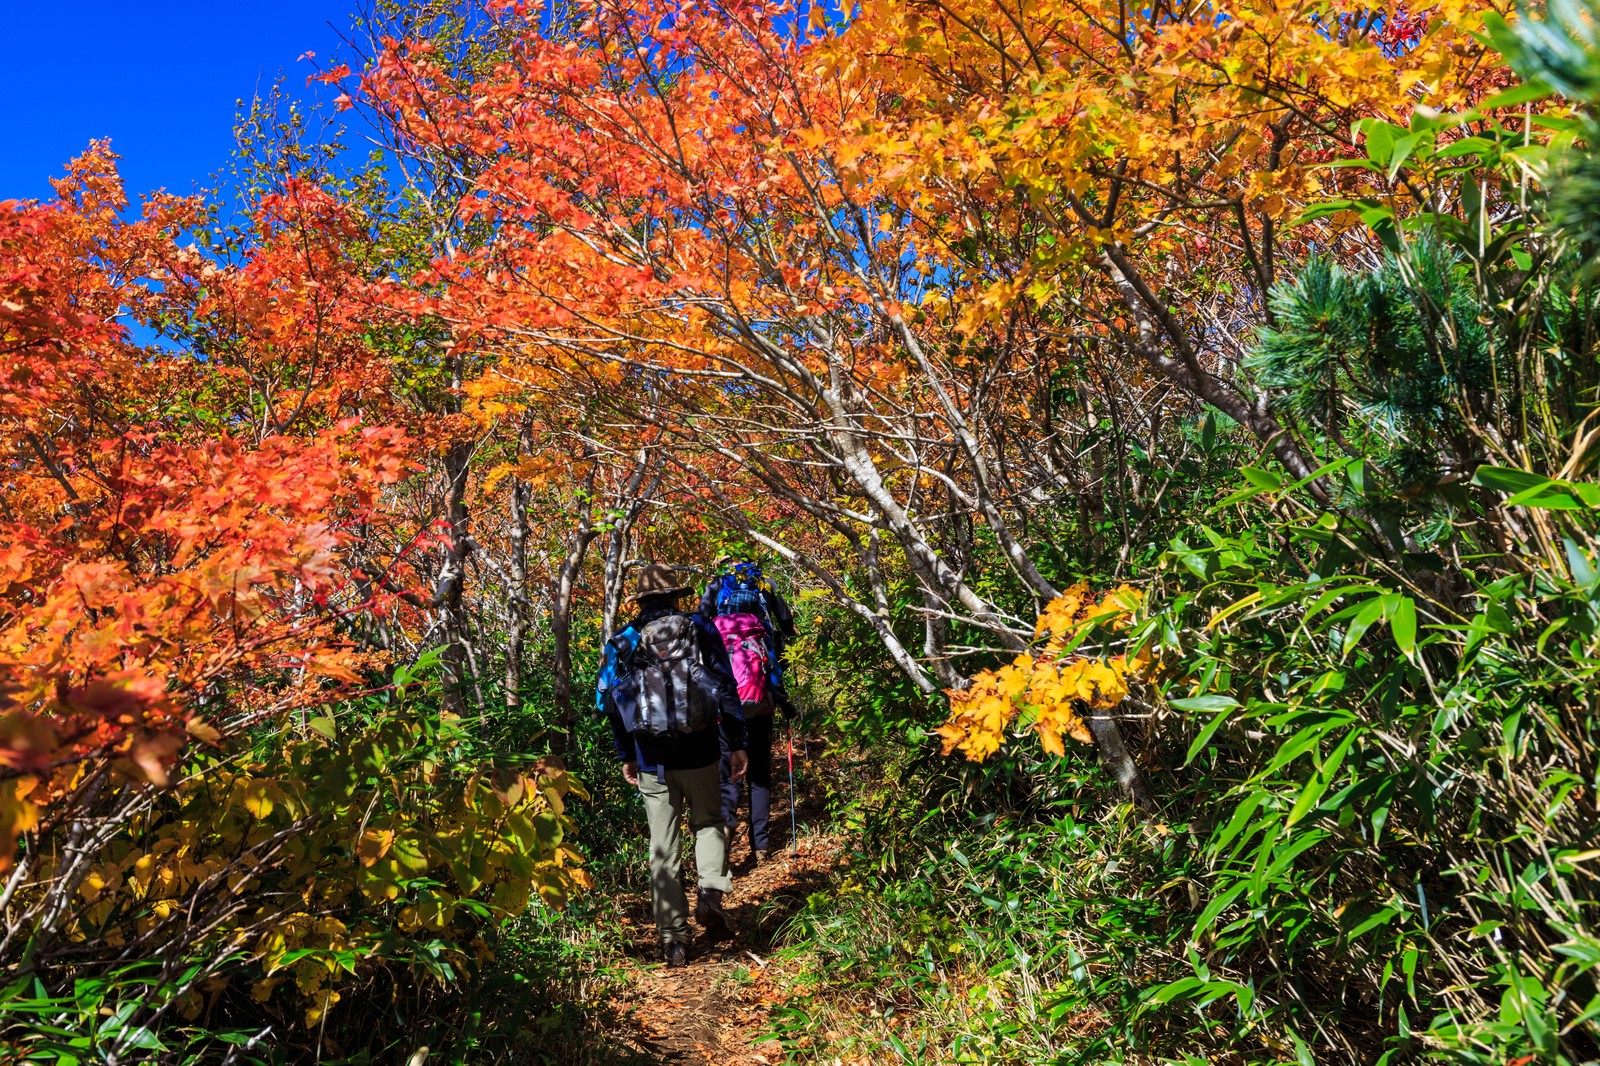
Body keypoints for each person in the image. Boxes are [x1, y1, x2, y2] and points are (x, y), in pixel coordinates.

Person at [597, 563, 749, 968]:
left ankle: (674, 940)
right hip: (700, 749)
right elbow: (726, 686)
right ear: (676, 596)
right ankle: (711, 892)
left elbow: (610, 703)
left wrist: (625, 754)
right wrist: (737, 742)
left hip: (652, 759)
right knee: (708, 822)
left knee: (662, 846)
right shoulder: (701, 628)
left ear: (641, 601)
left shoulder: (624, 639)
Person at [700, 557, 797, 862]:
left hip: (724, 703)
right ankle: (762, 845)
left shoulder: (715, 586)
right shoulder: (764, 584)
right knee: (760, 772)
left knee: (728, 772)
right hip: (762, 696)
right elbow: (787, 624)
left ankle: (725, 834)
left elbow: (700, 624)